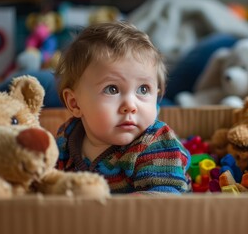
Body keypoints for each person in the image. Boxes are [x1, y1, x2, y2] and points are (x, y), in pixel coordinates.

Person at [54, 21, 191, 194]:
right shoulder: (67, 137)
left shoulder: (156, 144)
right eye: (112, 89)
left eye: (143, 89)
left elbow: (162, 206)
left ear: (157, 97)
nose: (130, 106)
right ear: (75, 103)